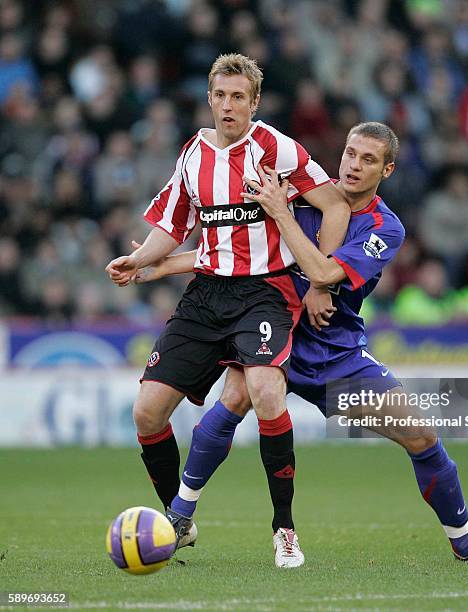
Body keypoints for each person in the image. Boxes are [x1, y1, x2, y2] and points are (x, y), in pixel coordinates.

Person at [126, 122, 468, 565]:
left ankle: (466, 544)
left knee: (421, 435)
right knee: (236, 397)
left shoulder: (385, 228)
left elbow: (324, 274)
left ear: (387, 169)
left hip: (335, 353)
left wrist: (285, 222)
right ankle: (181, 515)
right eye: (351, 154)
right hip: (271, 327)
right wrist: (164, 265)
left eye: (369, 159)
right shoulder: (304, 191)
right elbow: (240, 249)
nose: (354, 165)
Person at [106, 54, 350, 565]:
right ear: (210, 98)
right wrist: (138, 258)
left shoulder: (277, 148)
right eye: (220, 95)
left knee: (264, 392)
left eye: (239, 97)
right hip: (207, 293)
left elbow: (334, 204)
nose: (228, 105)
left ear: (254, 102)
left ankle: (284, 530)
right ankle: (179, 519)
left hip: (266, 290)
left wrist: (321, 280)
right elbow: (173, 227)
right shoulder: (194, 154)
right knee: (147, 412)